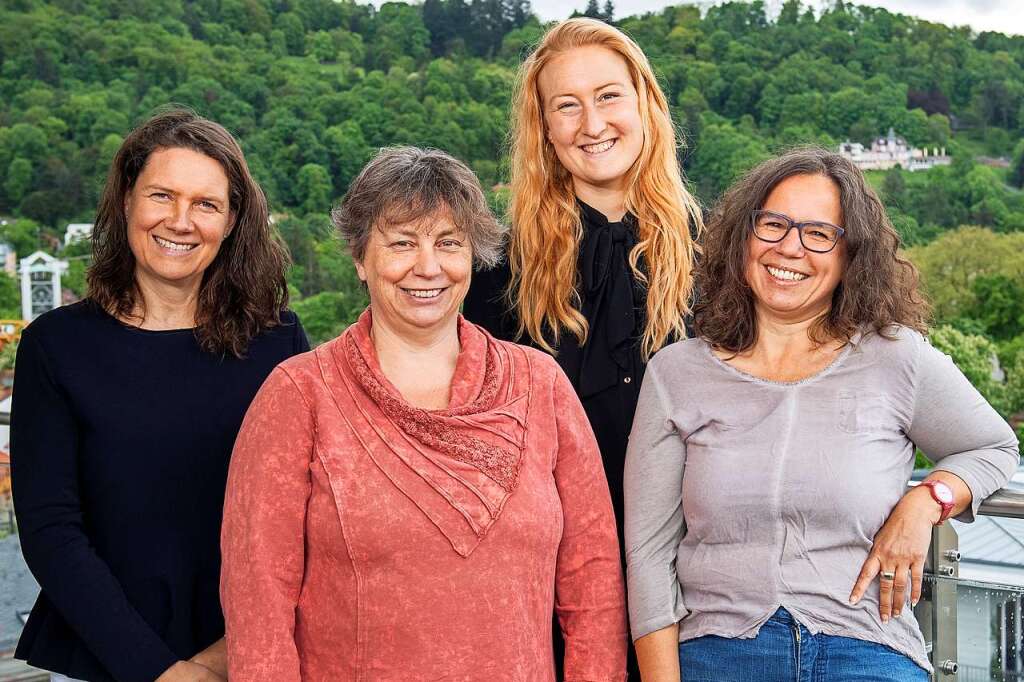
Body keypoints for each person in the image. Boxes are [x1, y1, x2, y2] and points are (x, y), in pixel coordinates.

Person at [220, 146, 628, 681]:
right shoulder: (299, 395)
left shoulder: (540, 385)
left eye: (448, 243)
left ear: (473, 257)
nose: (428, 266)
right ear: (361, 258)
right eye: (402, 243)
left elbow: (593, 582)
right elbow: (258, 603)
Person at [624, 147, 1020, 681]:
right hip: (718, 654)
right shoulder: (677, 374)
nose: (791, 248)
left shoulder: (895, 357)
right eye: (774, 224)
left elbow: (994, 447)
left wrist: (927, 501)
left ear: (849, 256)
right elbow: (648, 554)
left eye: (819, 233)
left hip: (867, 650)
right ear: (744, 236)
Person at [11, 108, 309, 682]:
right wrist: (160, 671)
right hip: (103, 660)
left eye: (206, 203)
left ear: (232, 220)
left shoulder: (278, 342)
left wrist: (225, 656)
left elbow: (307, 514)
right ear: (126, 201)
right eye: (162, 195)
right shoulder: (54, 348)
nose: (180, 221)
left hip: (250, 656)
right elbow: (51, 532)